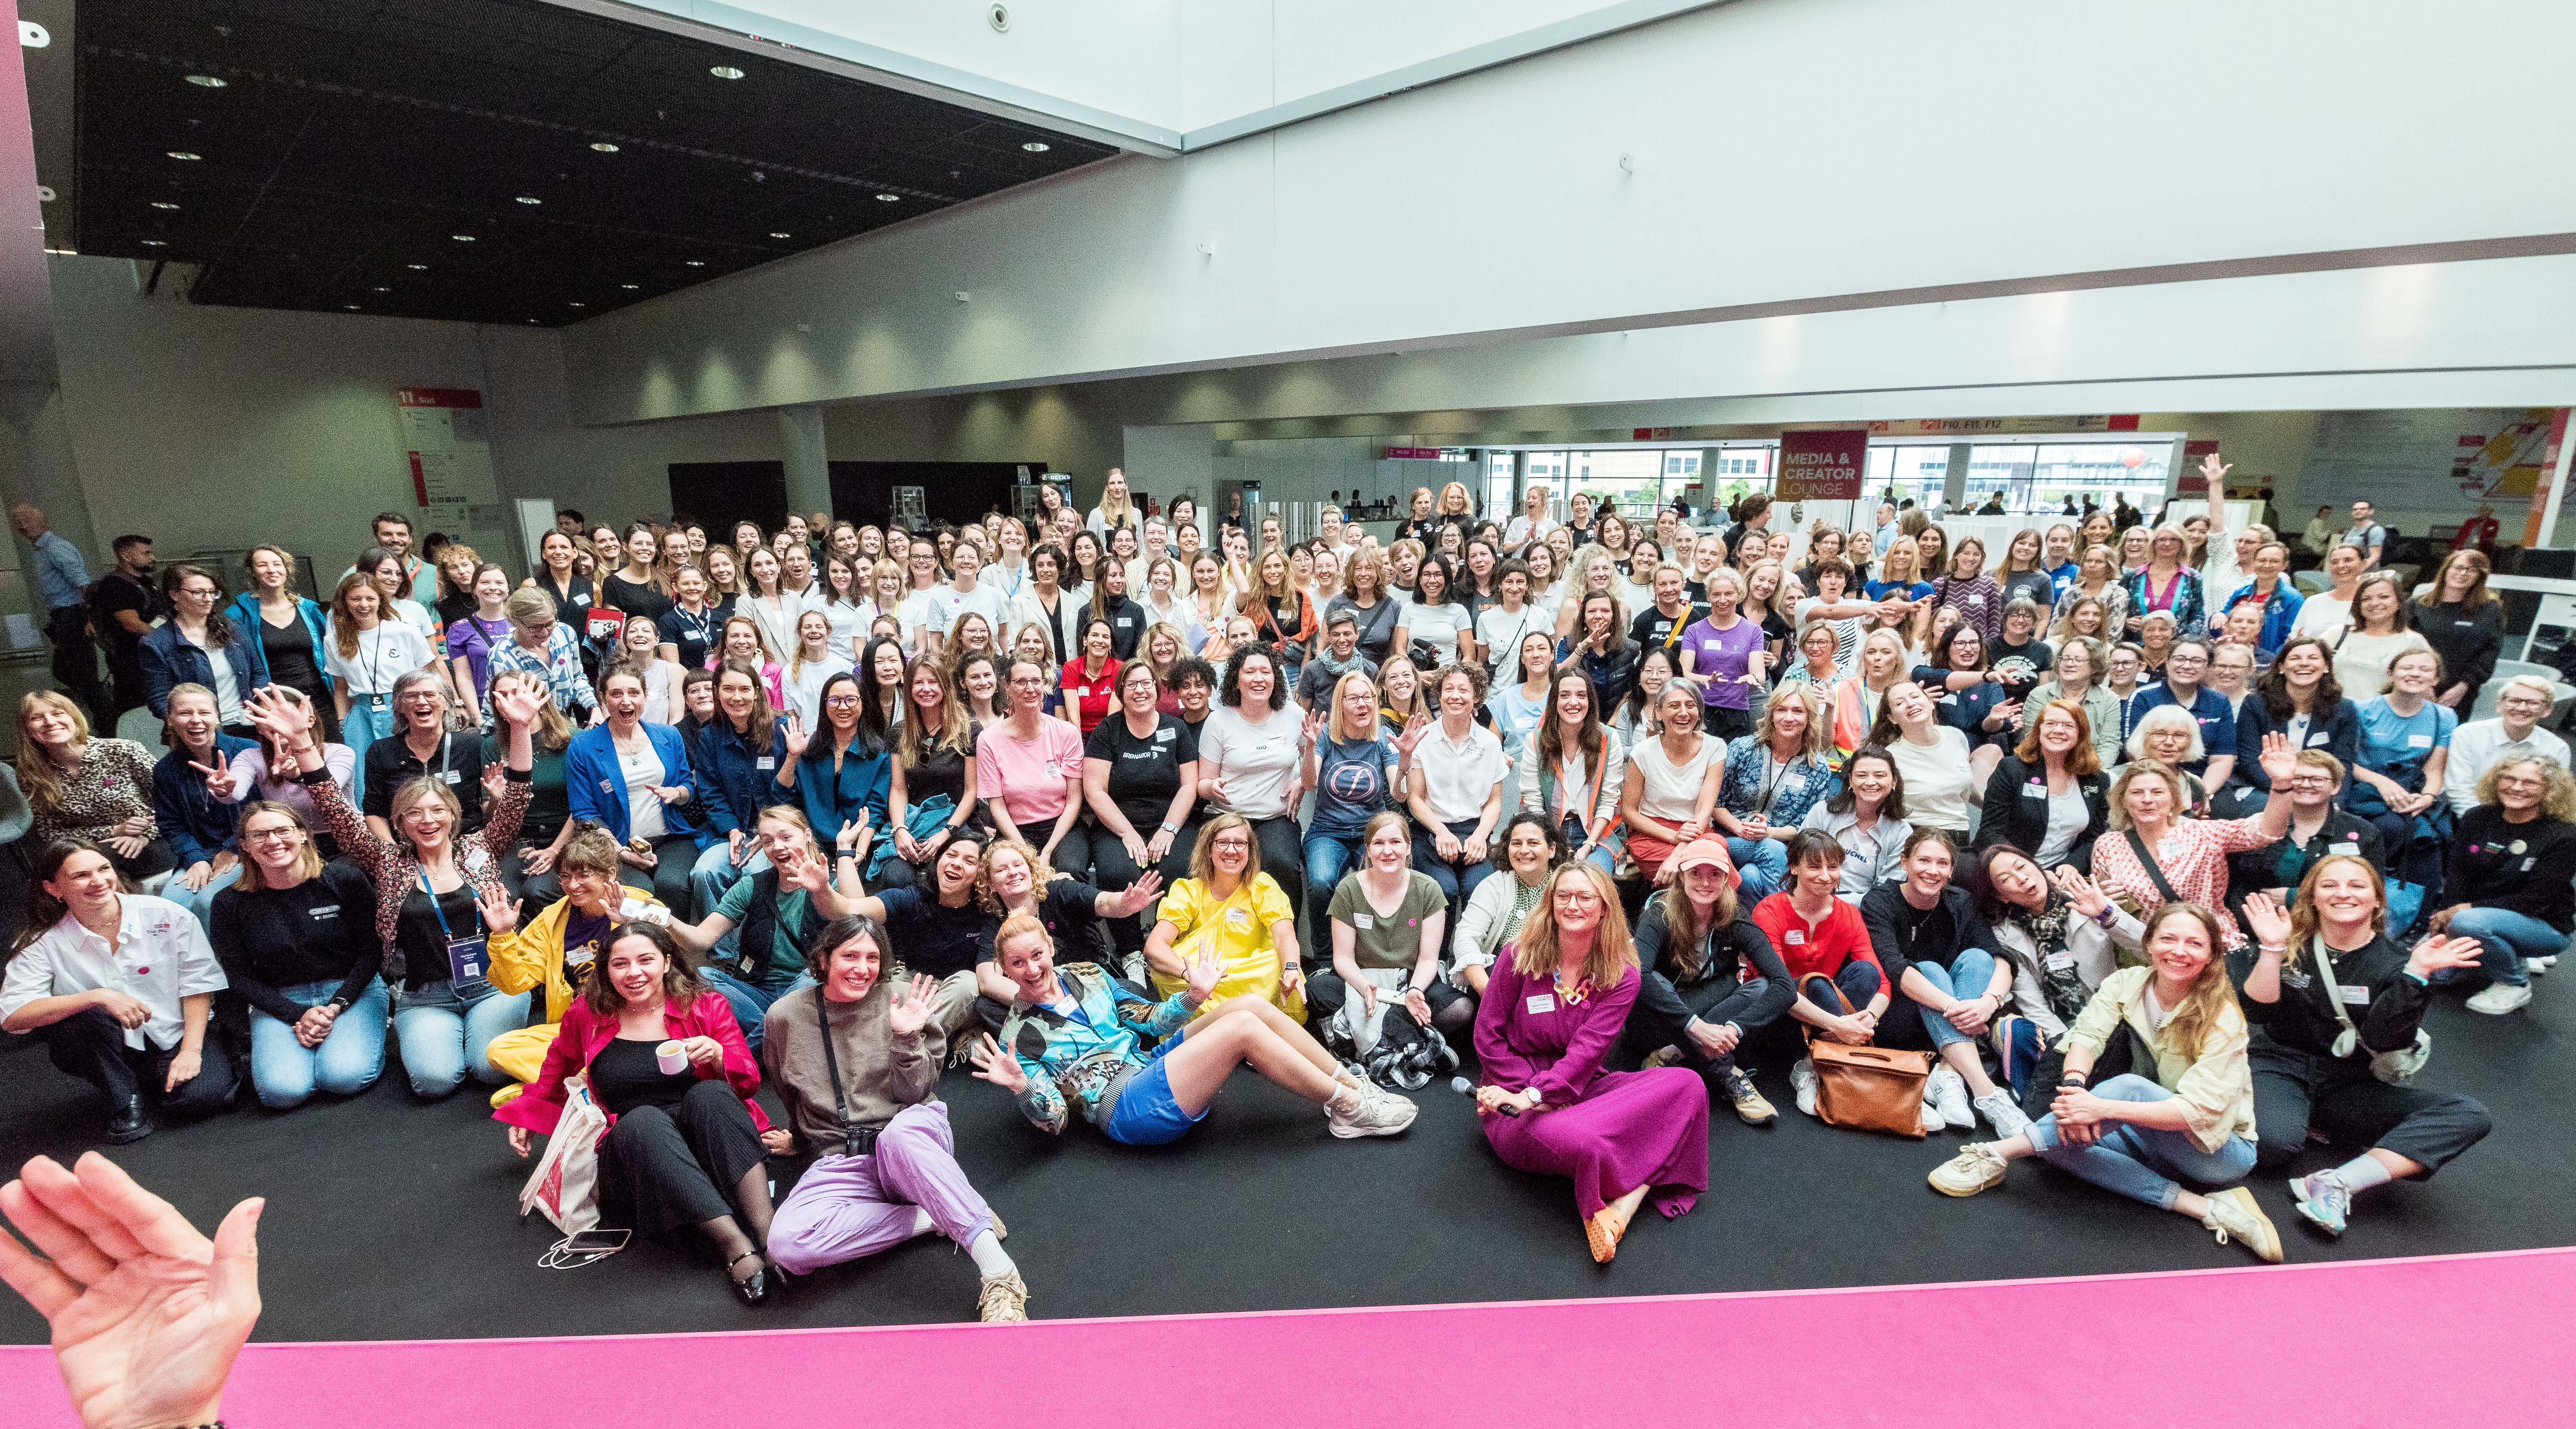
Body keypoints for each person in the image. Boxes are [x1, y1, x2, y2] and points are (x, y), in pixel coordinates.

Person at [1925, 901, 2281, 1263]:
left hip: (2216, 1151)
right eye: (2168, 938)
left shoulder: (2224, 1016)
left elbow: (2196, 1112)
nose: (2178, 951)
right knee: (2063, 1144)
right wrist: (2076, 1091)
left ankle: (1999, 1152)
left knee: (2127, 1087)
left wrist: (2100, 1108)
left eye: (2194, 943)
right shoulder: (2127, 982)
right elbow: (2086, 1036)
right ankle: (2208, 1209)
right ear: (2149, 944)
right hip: (2152, 1136)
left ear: (2210, 955)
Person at [260, 681, 542, 1097]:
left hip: (493, 985)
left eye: (437, 811)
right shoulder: (389, 863)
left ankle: (480, 1043)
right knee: (434, 1082)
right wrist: (302, 742)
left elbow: (517, 795)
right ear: (400, 823)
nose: (427, 821)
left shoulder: (481, 847)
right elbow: (335, 811)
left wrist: (519, 728)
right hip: (426, 997)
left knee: (490, 1069)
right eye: (414, 813)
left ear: (454, 815)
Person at [756, 915, 1026, 1320]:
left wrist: (904, 1038)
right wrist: (798, 1137)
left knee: (898, 1135)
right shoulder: (784, 1016)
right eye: (850, 956)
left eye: (872, 957)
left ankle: (1000, 1273)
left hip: (910, 1135)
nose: (862, 968)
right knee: (788, 1246)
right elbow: (786, 1089)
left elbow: (916, 1093)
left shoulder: (903, 999)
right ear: (825, 959)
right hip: (843, 1157)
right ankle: (935, 1213)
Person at [499, 923, 780, 1304]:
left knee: (712, 1093)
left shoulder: (705, 1005)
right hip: (635, 1152)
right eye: (621, 964)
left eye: (645, 960)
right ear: (606, 970)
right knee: (645, 1119)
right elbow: (557, 1063)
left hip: (706, 1140)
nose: (634, 973)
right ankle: (737, 1247)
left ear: (666, 962)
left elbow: (745, 1083)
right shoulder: (587, 1012)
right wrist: (527, 1113)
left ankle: (771, 1234)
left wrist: (719, 1055)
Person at [972, 911, 1415, 1144]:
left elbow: (1146, 1019)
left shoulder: (1087, 972)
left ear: (1050, 948)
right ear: (1005, 971)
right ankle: (1349, 1109)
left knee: (1247, 1004)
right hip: (1125, 1108)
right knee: (1241, 1028)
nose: (1031, 969)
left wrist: (1194, 997)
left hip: (1147, 1065)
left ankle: (1351, 1083)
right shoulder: (1017, 1037)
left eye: (1037, 955)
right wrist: (1021, 1089)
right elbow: (1056, 1121)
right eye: (1017, 963)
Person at [1471, 861, 1708, 1261]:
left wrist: (1544, 1093)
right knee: (1586, 1144)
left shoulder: (1622, 974)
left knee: (1688, 1084)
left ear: (1605, 908)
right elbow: (1488, 1036)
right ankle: (1625, 1196)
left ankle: (1624, 1205)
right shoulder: (1517, 955)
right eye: (1563, 896)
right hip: (1510, 1097)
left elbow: (1587, 1053)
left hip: (1579, 1085)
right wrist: (1527, 1094)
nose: (1572, 905)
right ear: (1550, 903)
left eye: (1585, 897)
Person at [2237, 868, 2493, 1235]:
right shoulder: (2285, 940)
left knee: (2468, 1114)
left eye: (2356, 885)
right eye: (2329, 885)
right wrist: (2271, 949)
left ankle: (2338, 1181)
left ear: (2376, 900)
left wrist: (2416, 974)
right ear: (2311, 898)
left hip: (2345, 1082)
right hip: (2278, 1063)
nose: (2343, 893)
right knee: (2273, 1147)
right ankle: (2309, 1123)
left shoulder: (2398, 961)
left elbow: (2384, 1038)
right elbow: (2256, 1012)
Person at [2, 839, 238, 1141]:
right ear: (53, 889)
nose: (98, 881)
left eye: (104, 868)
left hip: (174, 1034)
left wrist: (191, 1051)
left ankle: (142, 1081)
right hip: (108, 1041)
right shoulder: (42, 942)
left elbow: (198, 984)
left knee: (203, 1098)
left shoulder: (167, 914)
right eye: (81, 875)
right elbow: (13, 1016)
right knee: (84, 1017)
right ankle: (124, 1099)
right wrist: (97, 996)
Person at [1857, 829, 2030, 1134]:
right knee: (1930, 969)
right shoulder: (1880, 901)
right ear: (1904, 862)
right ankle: (1986, 1092)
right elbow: (1895, 968)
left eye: (1942, 863)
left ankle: (1949, 1073)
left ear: (1951, 870)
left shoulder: (1960, 901)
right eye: (1923, 860)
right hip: (1898, 1015)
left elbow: (2000, 958)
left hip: (1948, 1022)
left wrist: (1988, 1003)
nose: (1932, 871)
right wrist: (1956, 1008)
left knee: (1978, 957)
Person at [1624, 839, 1789, 1125]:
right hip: (1653, 1023)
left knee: (1757, 987)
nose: (1705, 882)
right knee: (1653, 978)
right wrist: (1697, 1027)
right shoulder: (1659, 913)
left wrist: (1733, 1027)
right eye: (1696, 873)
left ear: (1726, 879)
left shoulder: (1735, 919)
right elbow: (1638, 975)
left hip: (1700, 1018)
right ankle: (1729, 1074)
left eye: (1714, 874)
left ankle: (1674, 1053)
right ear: (1681, 876)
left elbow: (1784, 986)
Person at [1975, 850, 2140, 1112]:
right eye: (2006, 878)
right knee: (2011, 1030)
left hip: (2111, 1017)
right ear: (2000, 895)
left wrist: (2105, 913)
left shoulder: (2087, 899)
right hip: (2058, 1027)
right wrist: (2065, 1043)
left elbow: (2150, 949)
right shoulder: (2006, 934)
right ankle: (2026, 1103)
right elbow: (2029, 998)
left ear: (2038, 866)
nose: (2021, 878)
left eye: (2022, 866)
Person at [2090, 734, 2298, 941]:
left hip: (2210, 946)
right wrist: (2106, 899)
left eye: (2157, 792)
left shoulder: (2203, 833)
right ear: (2123, 801)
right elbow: (2106, 907)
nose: (2147, 800)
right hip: (2147, 949)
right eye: (2137, 793)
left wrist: (2282, 784)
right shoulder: (2108, 845)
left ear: (2174, 800)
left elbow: (2267, 831)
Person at [1314, 812, 1470, 1073]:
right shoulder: (1348, 890)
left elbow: (1429, 960)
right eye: (1379, 843)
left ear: (1409, 848)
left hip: (1409, 983)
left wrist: (1415, 990)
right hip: (1361, 982)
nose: (1388, 851)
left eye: (1396, 842)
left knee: (1461, 1009)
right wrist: (1363, 987)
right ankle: (1416, 1043)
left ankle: (1386, 1039)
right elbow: (1342, 959)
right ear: (1368, 850)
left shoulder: (1429, 889)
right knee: (1317, 989)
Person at [2431, 756, 2576, 1015]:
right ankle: (2493, 951)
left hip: (2542, 923)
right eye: (2509, 779)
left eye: (2530, 783)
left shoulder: (2564, 836)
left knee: (2468, 924)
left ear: (2549, 790)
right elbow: (2457, 874)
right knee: (2435, 975)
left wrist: (2462, 912)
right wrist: (2447, 913)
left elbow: (2536, 900)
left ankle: (2514, 983)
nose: (2517, 788)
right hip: (2477, 913)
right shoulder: (2477, 817)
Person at [566, 666, 710, 912]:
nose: (626, 701)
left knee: (672, 885)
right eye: (616, 694)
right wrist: (620, 852)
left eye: (634, 693)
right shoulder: (583, 745)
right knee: (639, 893)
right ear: (603, 698)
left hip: (671, 837)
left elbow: (688, 787)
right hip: (615, 844)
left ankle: (673, 948)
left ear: (645, 696)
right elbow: (584, 813)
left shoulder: (668, 735)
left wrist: (677, 794)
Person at [1083, 660, 1201, 957]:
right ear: (1121, 691)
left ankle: (1169, 948)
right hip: (1117, 825)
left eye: (1146, 683)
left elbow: (1189, 786)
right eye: (1132, 684)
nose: (1140, 690)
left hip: (1171, 822)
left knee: (1180, 868)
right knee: (1117, 872)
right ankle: (1132, 951)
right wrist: (1127, 833)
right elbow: (1094, 790)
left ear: (1156, 688)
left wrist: (1169, 829)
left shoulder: (1175, 729)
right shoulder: (1106, 731)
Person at [1143, 814, 1306, 1019]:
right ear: (1209, 850)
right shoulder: (1188, 890)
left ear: (1250, 851)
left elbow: (1285, 936)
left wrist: (1291, 968)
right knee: (1165, 969)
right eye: (1222, 843)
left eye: (1240, 843)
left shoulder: (1263, 885)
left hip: (1250, 972)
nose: (1231, 850)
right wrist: (1192, 976)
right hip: (1201, 976)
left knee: (1280, 966)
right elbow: (1155, 946)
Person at [15, 690, 174, 882]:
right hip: (89, 850)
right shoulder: (31, 775)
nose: (50, 722)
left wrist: (145, 834)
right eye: (37, 718)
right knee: (69, 870)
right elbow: (51, 834)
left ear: (74, 718)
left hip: (156, 838)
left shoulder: (124, 751)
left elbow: (177, 801)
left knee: (91, 869)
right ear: (27, 730)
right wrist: (114, 831)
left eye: (58, 714)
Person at [1196, 643, 1307, 914]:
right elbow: (1202, 784)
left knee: (1283, 866)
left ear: (1276, 678)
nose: (1259, 679)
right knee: (1225, 867)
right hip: (1227, 816)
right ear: (1236, 679)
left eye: (1266, 672)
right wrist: (1212, 788)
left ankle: (1284, 943)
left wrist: (1301, 782)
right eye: (1250, 672)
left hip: (1276, 818)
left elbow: (1311, 756)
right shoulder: (1218, 721)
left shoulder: (1294, 715)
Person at [2222, 749, 2387, 917]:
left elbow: (2373, 893)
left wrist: (2294, 897)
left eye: (2317, 780)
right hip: (2250, 921)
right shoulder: (2252, 822)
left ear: (2336, 787)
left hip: (2326, 924)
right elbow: (2228, 880)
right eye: (2297, 778)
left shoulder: (2365, 833)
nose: (2306, 785)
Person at [2347, 646, 2454, 907]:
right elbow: (2344, 762)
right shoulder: (2361, 710)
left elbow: (2434, 769)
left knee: (2429, 838)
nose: (2415, 674)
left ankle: (2419, 915)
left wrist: (2428, 797)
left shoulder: (2444, 716)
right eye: (2407, 668)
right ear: (2391, 673)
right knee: (2391, 829)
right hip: (2363, 789)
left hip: (2410, 793)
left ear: (2435, 679)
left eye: (2424, 669)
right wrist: (2382, 782)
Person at [689, 661, 796, 914]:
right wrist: (731, 829)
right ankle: (724, 951)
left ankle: (756, 946)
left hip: (777, 831)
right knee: (705, 873)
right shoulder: (710, 736)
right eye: (728, 689)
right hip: (730, 831)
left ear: (757, 691)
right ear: (717, 692)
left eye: (744, 689)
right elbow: (710, 790)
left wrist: (771, 831)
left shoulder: (782, 728)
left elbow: (794, 794)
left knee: (754, 872)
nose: (737, 697)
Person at [150, 685, 257, 929]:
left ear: (217, 716)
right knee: (171, 907)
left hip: (247, 848)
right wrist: (195, 859)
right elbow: (170, 824)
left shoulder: (246, 750)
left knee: (210, 903)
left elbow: (262, 809)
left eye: (204, 713)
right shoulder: (166, 769)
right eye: (185, 713)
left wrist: (233, 848)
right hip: (200, 853)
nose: (196, 720)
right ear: (170, 720)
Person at [1407, 662, 1509, 911]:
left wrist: (1480, 836)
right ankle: (1438, 952)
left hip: (1474, 832)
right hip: (1430, 832)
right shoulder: (1423, 738)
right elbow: (1415, 798)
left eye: (1463, 690)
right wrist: (1440, 831)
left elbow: (1494, 801)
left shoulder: (1490, 742)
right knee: (1443, 893)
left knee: (1481, 891)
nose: (1455, 696)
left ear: (1476, 697)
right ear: (1440, 696)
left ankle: (1475, 951)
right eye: (1448, 689)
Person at [978, 654, 1091, 878]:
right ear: (1007, 688)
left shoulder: (1067, 733)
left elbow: (1074, 800)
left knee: (1070, 872)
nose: (1030, 688)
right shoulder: (988, 740)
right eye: (1021, 682)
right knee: (1016, 874)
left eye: (1036, 681)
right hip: (1015, 830)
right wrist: (1027, 854)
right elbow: (998, 807)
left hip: (1063, 827)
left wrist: (1048, 851)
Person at [881, 656, 982, 891]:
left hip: (958, 824)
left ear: (945, 686)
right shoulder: (899, 731)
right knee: (896, 877)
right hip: (914, 824)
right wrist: (900, 830)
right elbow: (898, 790)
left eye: (933, 682)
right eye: (919, 683)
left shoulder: (969, 729)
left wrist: (946, 833)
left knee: (945, 877)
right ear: (909, 688)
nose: (926, 689)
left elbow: (972, 792)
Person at [323, 570, 439, 772]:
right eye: (356, 599)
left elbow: (430, 673)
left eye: (371, 598)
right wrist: (343, 722)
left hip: (404, 708)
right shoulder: (334, 641)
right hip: (361, 713)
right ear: (345, 603)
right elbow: (341, 687)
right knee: (363, 776)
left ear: (380, 601)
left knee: (410, 771)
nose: (364, 605)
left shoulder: (404, 631)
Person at [361, 670, 488, 848]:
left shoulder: (472, 744)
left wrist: (498, 798)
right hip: (406, 848)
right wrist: (393, 855)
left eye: (430, 695)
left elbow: (488, 808)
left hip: (466, 844)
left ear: (446, 703)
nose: (422, 701)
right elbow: (375, 812)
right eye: (411, 696)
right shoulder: (381, 752)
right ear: (399, 707)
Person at [1980, 699, 2109, 870]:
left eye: (2068, 726)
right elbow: (1990, 832)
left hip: (2060, 873)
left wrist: (2071, 866)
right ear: (2039, 730)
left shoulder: (2097, 779)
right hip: (2010, 868)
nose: (2058, 731)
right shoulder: (2011, 769)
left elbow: (2093, 838)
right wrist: (2028, 870)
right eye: (2051, 724)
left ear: (2081, 734)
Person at [140, 564, 268, 729]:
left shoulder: (234, 629)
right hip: (200, 732)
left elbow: (258, 673)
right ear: (174, 595)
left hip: (249, 723)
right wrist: (195, 723)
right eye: (198, 592)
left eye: (212, 592)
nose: (208, 599)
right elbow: (160, 700)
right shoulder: (156, 643)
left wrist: (257, 703)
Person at [1622, 681, 1725, 882]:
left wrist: (1678, 852)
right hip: (1653, 833)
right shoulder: (1642, 753)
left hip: (1697, 830)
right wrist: (1673, 837)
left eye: (1691, 705)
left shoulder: (1715, 747)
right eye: (1674, 706)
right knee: (1705, 872)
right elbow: (1629, 812)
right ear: (1659, 713)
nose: (1684, 713)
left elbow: (1704, 811)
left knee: (1713, 847)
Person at [11, 503, 104, 719]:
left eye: (28, 519)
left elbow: (84, 584)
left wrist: (91, 619)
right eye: (19, 522)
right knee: (65, 672)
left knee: (84, 676)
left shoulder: (55, 548)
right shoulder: (42, 550)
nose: (24, 526)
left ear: (45, 521)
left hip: (73, 615)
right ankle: (100, 709)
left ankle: (106, 717)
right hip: (64, 617)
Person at [2444, 673, 2570, 815]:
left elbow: (2552, 797)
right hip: (2471, 816)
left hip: (2526, 820)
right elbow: (2459, 790)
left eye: (2533, 703)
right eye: (2514, 701)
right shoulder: (2467, 734)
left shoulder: (2558, 748)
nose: (2522, 708)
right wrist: (2480, 826)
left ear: (2547, 710)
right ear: (2500, 705)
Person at [2123, 638, 2237, 789]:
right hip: (2151, 781)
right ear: (2168, 662)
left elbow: (2222, 759)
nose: (2187, 666)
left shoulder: (2219, 701)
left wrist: (2202, 794)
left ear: (2208, 667)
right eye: (2180, 659)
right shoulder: (2143, 697)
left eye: (2197, 661)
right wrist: (2173, 794)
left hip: (2204, 781)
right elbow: (2136, 751)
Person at [1867, 680, 1975, 835]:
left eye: (1915, 697)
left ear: (1931, 703)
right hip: (1917, 835)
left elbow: (1966, 784)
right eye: (1900, 703)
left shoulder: (1956, 736)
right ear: (1893, 719)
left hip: (1961, 831)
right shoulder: (1889, 758)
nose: (1910, 704)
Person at [487, 587, 599, 729]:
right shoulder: (501, 656)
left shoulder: (564, 633)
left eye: (549, 623)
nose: (546, 632)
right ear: (515, 622)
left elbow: (577, 677)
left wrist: (594, 707)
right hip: (525, 727)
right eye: (535, 627)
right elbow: (501, 710)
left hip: (563, 719)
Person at [2413, 549, 2503, 713]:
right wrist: (2422, 685)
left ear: (2480, 577)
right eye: (2458, 567)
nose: (2463, 574)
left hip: (2459, 694)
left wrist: (2464, 686)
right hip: (2414, 687)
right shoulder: (2418, 605)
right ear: (2447, 569)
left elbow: (2489, 653)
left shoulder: (2490, 610)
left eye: (2471, 570)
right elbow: (2405, 648)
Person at [88, 533, 163, 720]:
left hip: (149, 656)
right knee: (137, 712)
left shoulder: (144, 583)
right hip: (131, 661)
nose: (152, 557)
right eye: (146, 553)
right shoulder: (115, 586)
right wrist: (167, 639)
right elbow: (131, 624)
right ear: (126, 556)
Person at [2290, 544, 2365, 641]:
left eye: (2348, 560)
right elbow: (2295, 638)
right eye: (2335, 562)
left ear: (2364, 564)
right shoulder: (2313, 602)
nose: (2341, 566)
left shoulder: (2371, 603)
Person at [2341, 500, 2387, 570]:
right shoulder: (2350, 532)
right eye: (2355, 510)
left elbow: (2375, 555)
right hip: (2348, 571)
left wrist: (2359, 570)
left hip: (2366, 574)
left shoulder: (2376, 530)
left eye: (2363, 509)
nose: (2358, 511)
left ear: (2371, 512)